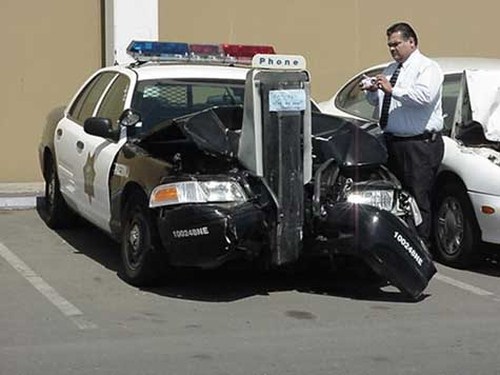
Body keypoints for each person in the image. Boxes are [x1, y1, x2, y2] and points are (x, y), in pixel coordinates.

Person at [364, 22, 444, 248]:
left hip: (418, 144)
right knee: (395, 196)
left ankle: (421, 246)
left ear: (412, 42)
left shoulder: (427, 68)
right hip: (392, 141)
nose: (392, 49)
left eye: (396, 44)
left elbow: (423, 97)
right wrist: (373, 91)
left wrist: (392, 89)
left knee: (418, 197)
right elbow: (381, 101)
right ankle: (399, 244)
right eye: (389, 45)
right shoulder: (391, 69)